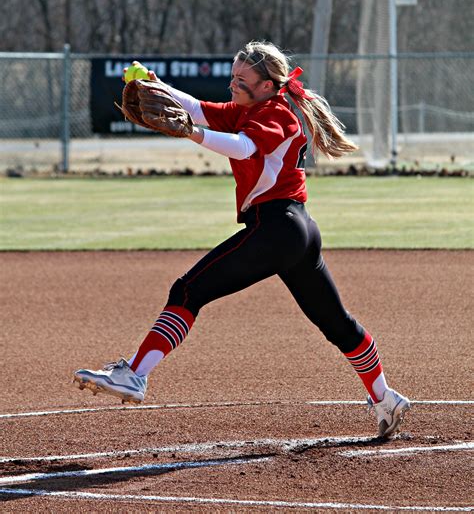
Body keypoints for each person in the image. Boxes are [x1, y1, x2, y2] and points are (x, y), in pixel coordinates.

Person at [74, 41, 410, 438]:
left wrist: (193, 134)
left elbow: (244, 147)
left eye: (242, 80)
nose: (233, 85)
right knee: (337, 324)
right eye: (233, 77)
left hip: (276, 229)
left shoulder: (276, 113)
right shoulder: (253, 108)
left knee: (187, 291)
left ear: (267, 85)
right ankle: (385, 397)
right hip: (295, 228)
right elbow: (198, 108)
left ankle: (135, 374)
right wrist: (155, 84)